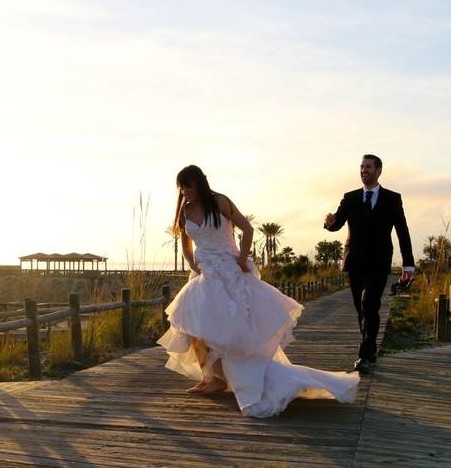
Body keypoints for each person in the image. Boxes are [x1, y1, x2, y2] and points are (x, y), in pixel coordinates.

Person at [158, 165, 360, 418]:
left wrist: (242, 260)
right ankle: (211, 377)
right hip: (205, 274)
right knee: (192, 326)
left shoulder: (219, 201)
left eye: (188, 185)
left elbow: (247, 229)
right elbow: (186, 244)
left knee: (228, 329)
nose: (185, 191)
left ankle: (233, 377)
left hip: (229, 270)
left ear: (199, 183)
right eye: (181, 187)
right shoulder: (185, 210)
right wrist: (192, 264)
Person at [324, 154, 414, 372]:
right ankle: (369, 347)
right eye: (362, 167)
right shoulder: (350, 197)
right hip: (354, 261)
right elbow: (338, 223)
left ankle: (364, 355)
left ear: (378, 171)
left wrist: (408, 265)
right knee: (360, 309)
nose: (364, 170)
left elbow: (402, 231)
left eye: (368, 167)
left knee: (370, 305)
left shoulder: (392, 199)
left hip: (379, 261)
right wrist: (329, 223)